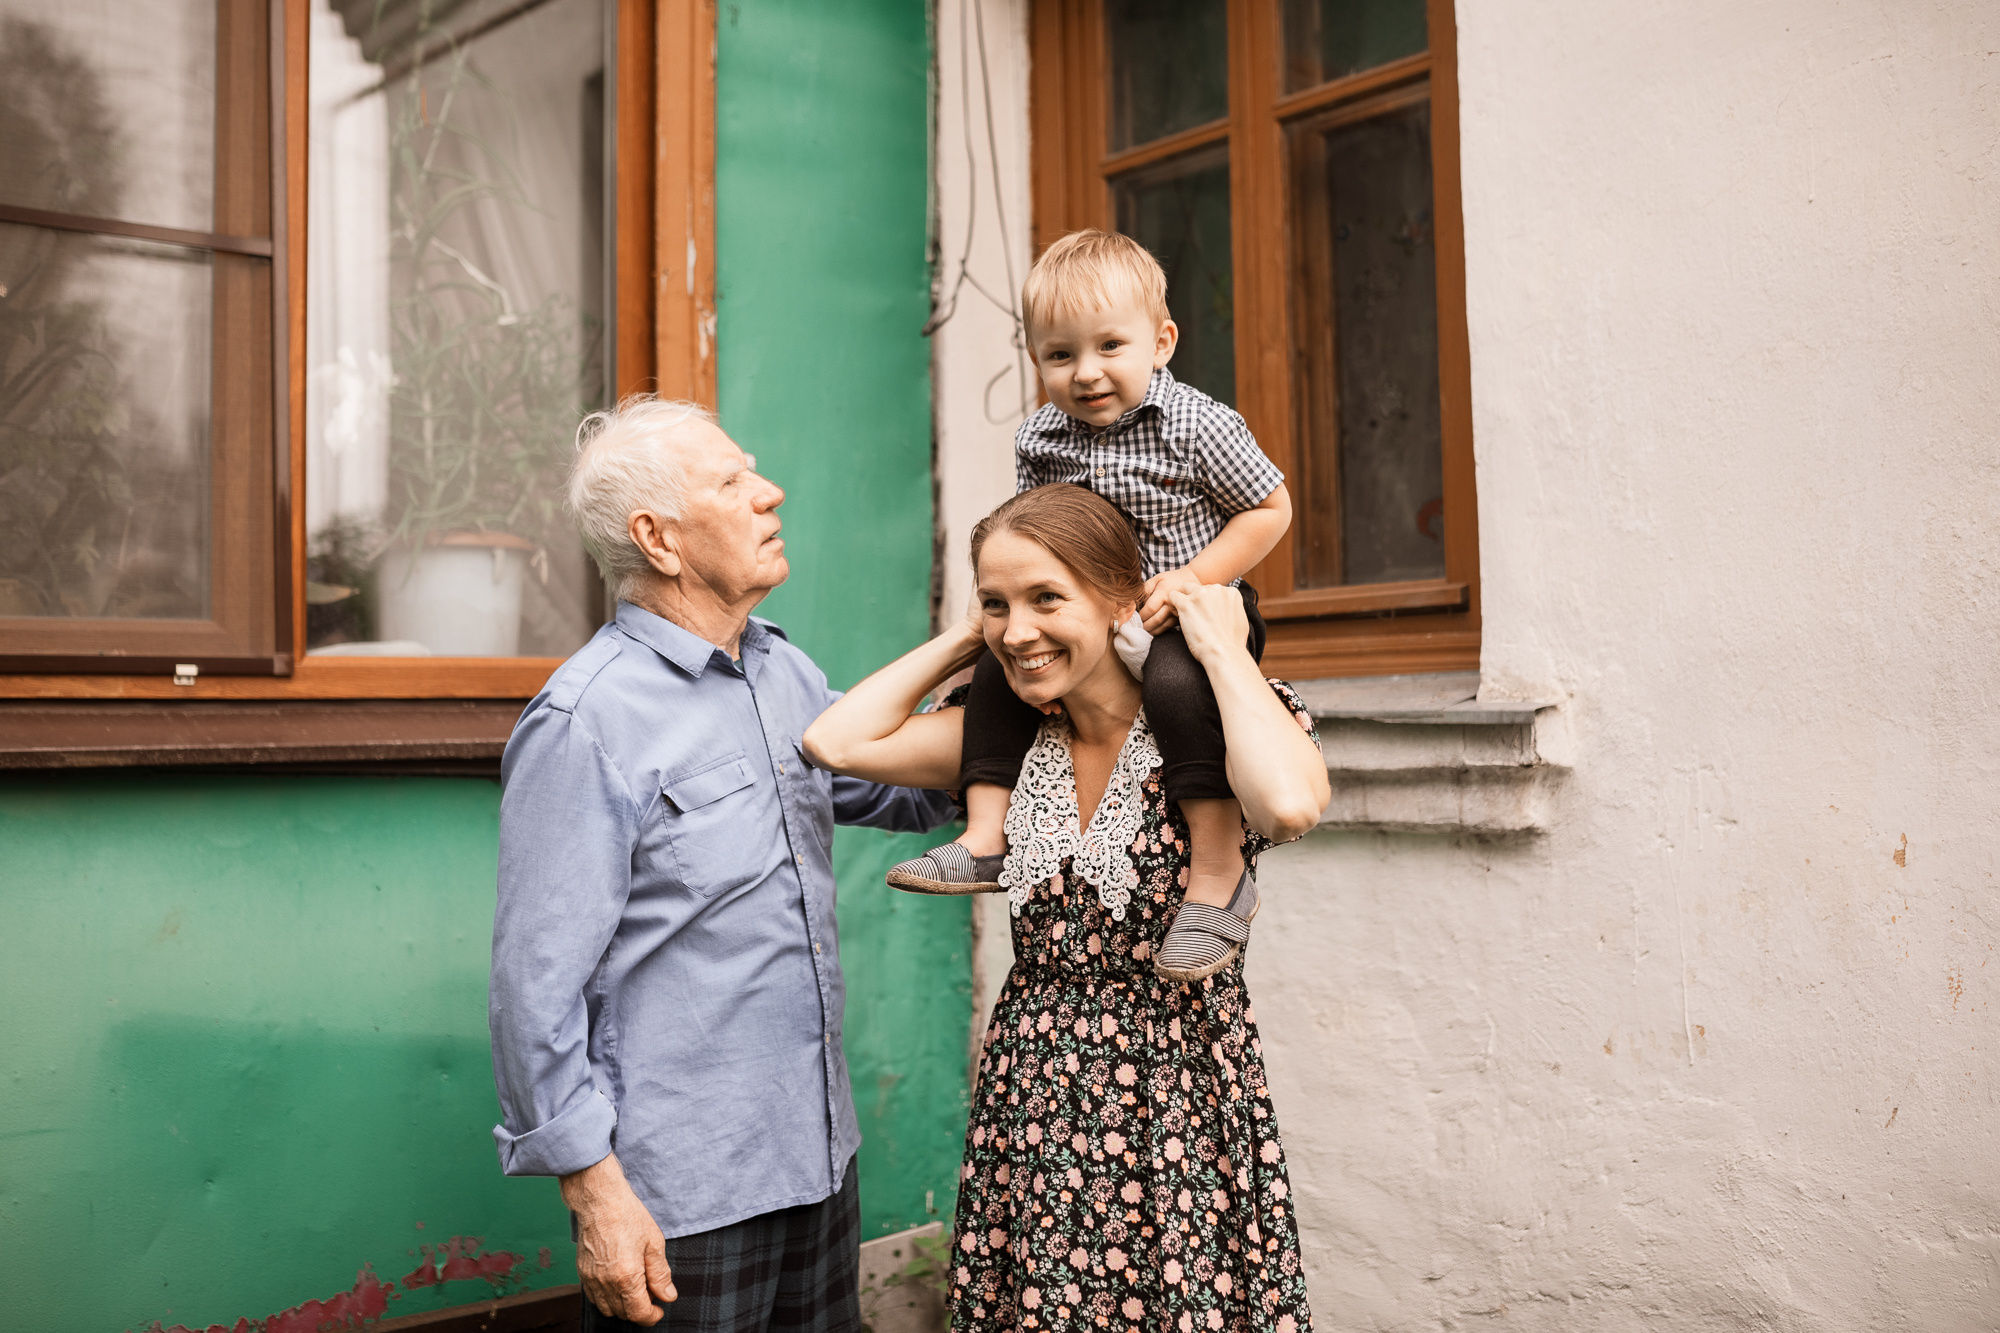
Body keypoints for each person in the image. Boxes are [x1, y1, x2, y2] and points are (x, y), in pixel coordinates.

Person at [804, 483, 1330, 1333]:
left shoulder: (1213, 725)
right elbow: (836, 743)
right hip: (1035, 1096)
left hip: (1180, 1097)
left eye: (1048, 598)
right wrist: (968, 637)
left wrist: (1222, 648)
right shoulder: (1007, 745)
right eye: (998, 603)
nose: (1019, 629)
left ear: (1125, 599)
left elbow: (1287, 805)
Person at [488, 396, 958, 1333]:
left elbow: (896, 793)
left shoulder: (782, 673)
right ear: (658, 539)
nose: (770, 493)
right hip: (682, 1196)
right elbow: (531, 990)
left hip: (818, 1157)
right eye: (734, 482)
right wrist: (597, 1196)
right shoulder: (587, 722)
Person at [884, 229, 1296, 984]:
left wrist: (1193, 581)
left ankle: (1217, 868)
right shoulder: (1041, 437)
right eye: (1060, 355)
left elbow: (1270, 508)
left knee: (1176, 688)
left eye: (1111, 346)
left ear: (1162, 341)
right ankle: (984, 836)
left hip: (1189, 614)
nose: (1087, 372)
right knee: (999, 673)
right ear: (1035, 359)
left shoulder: (1198, 424)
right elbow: (1036, 532)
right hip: (1093, 624)